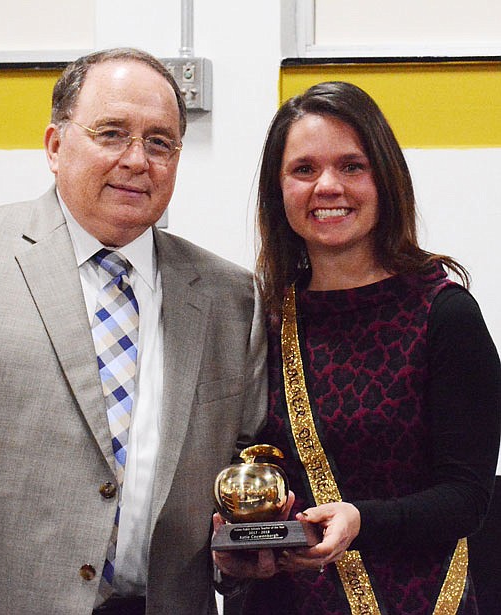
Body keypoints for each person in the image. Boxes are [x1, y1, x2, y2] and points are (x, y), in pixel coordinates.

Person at [0, 48, 267, 615]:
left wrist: (240, 561)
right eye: (111, 133)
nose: (137, 160)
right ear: (55, 146)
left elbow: (247, 465)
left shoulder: (231, 296)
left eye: (160, 142)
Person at [213, 81, 501, 614]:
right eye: (304, 170)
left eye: (351, 166)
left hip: (418, 599)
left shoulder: (445, 313)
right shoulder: (261, 317)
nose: (327, 186)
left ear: (385, 179)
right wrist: (237, 557)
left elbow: (466, 498)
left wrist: (360, 520)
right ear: (278, 190)